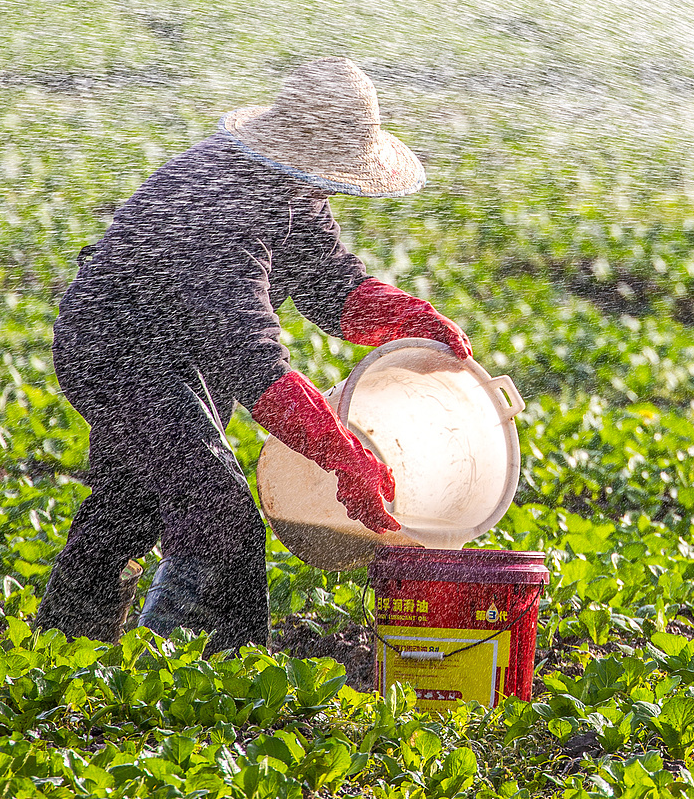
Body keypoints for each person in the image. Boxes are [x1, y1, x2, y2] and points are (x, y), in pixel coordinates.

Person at [35, 58, 470, 651]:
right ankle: (189, 669)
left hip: (184, 355)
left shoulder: (290, 185)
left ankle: (65, 641)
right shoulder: (225, 205)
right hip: (118, 353)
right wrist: (343, 458)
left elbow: (328, 284)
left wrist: (405, 316)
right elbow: (254, 363)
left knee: (133, 497)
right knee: (220, 514)